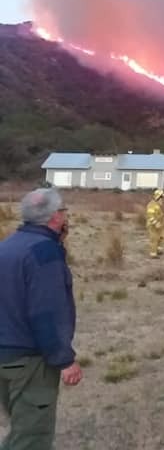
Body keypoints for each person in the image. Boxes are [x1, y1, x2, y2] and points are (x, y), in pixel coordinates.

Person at [0, 188, 82, 450]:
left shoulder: (7, 246)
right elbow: (47, 312)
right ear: (55, 216)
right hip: (30, 361)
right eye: (63, 211)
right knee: (31, 438)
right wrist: (64, 359)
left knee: (22, 429)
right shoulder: (44, 253)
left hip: (6, 355)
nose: (66, 216)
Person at [145, 189, 164, 258]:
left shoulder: (157, 205)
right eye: (161, 197)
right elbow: (150, 215)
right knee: (154, 239)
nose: (162, 199)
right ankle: (153, 254)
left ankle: (158, 250)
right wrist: (155, 223)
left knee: (161, 237)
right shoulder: (151, 205)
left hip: (159, 225)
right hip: (152, 225)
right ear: (158, 197)